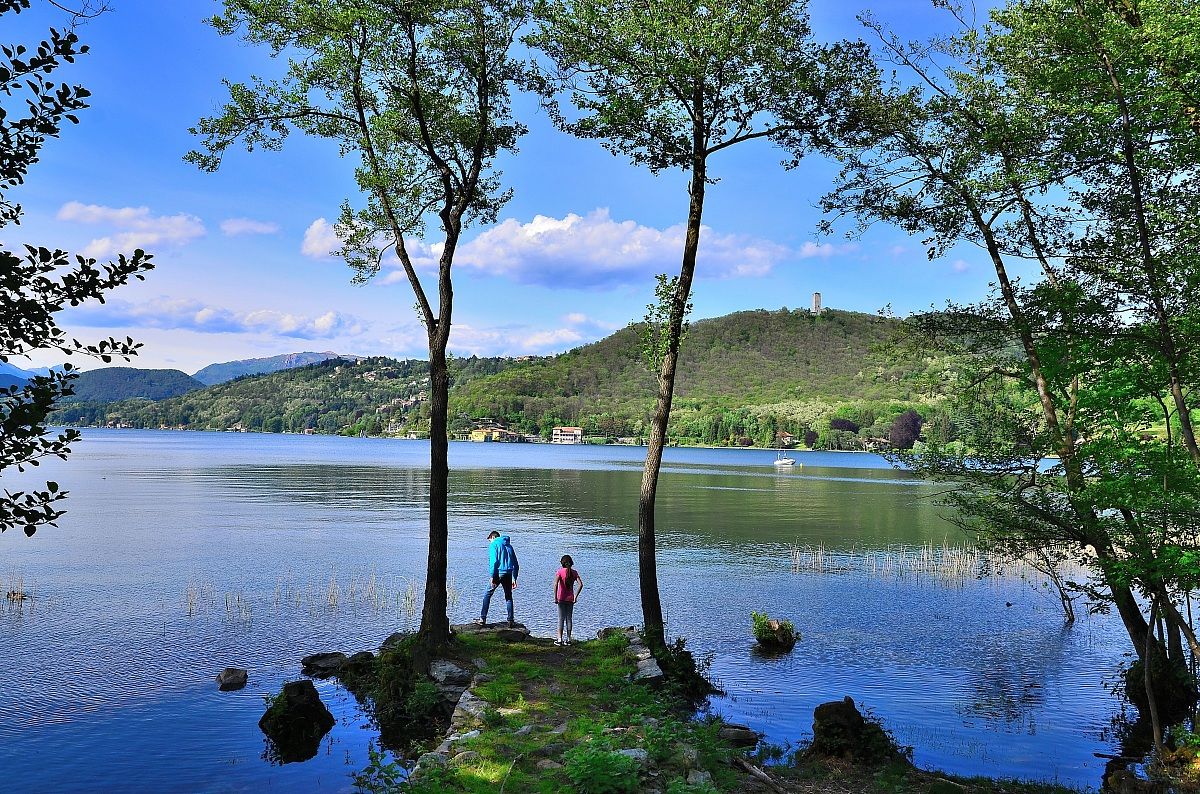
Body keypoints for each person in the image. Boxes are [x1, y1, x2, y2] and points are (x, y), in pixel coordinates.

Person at [477, 530, 519, 627]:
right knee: (508, 596)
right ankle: (511, 620)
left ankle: (482, 618)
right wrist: (514, 578)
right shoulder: (509, 546)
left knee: (487, 594)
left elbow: (494, 562)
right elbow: (516, 564)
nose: (490, 542)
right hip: (508, 574)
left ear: (492, 537)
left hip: (498, 573)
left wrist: (492, 576)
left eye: (489, 540)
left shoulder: (494, 545)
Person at [553, 554, 583, 646]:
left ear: (562, 563)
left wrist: (555, 597)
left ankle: (559, 639)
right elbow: (581, 584)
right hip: (570, 599)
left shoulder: (560, 572)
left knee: (561, 618)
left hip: (561, 598)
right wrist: (575, 596)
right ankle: (569, 639)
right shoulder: (574, 572)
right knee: (569, 618)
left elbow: (555, 585)